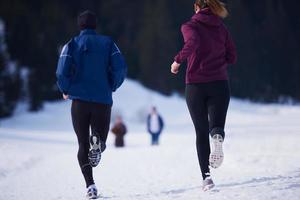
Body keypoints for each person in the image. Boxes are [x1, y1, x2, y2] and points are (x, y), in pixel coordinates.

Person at [56, 10, 127, 199]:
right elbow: (120, 67)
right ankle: (97, 140)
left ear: (80, 26)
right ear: (95, 25)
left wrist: (65, 88)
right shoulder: (108, 43)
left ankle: (90, 186)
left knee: (82, 144)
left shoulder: (71, 44)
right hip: (102, 100)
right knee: (100, 141)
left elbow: (62, 70)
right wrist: (112, 84)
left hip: (79, 101)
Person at [170, 0, 237, 191]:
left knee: (200, 131)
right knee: (215, 127)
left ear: (197, 8)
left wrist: (177, 62)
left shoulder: (189, 26)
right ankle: (217, 136)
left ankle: (206, 177)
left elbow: (192, 43)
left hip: (196, 86)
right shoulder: (221, 28)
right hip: (220, 84)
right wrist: (217, 60)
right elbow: (232, 56)